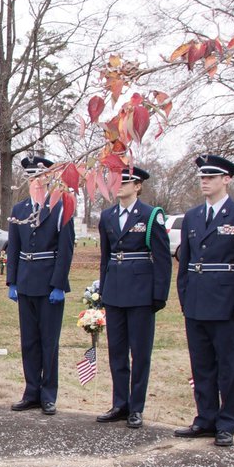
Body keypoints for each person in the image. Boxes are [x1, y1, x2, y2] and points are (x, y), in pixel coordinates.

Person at [174, 154, 234, 447]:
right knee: (201, 365)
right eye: (202, 177)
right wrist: (184, 296)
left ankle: (227, 422)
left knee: (228, 366)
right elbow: (185, 261)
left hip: (226, 302)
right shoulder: (193, 216)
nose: (205, 182)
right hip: (197, 300)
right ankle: (205, 418)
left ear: (226, 179)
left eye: (211, 177)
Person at [96, 166, 171, 429]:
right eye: (115, 181)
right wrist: (103, 289)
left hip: (141, 292)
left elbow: (162, 258)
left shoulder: (151, 216)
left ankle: (136, 407)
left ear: (137, 186)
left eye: (125, 182)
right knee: (117, 352)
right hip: (115, 290)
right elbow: (105, 257)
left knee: (140, 353)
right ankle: (120, 403)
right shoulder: (107, 216)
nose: (119, 186)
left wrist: (159, 294)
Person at [7, 155, 75, 415]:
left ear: (48, 177)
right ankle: (31, 390)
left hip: (49, 283)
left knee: (49, 341)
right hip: (26, 281)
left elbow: (65, 248)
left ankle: (48, 393)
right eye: (30, 177)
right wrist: (12, 281)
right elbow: (13, 247)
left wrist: (59, 284)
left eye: (39, 175)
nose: (35, 181)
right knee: (29, 341)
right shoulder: (19, 210)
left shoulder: (61, 206)